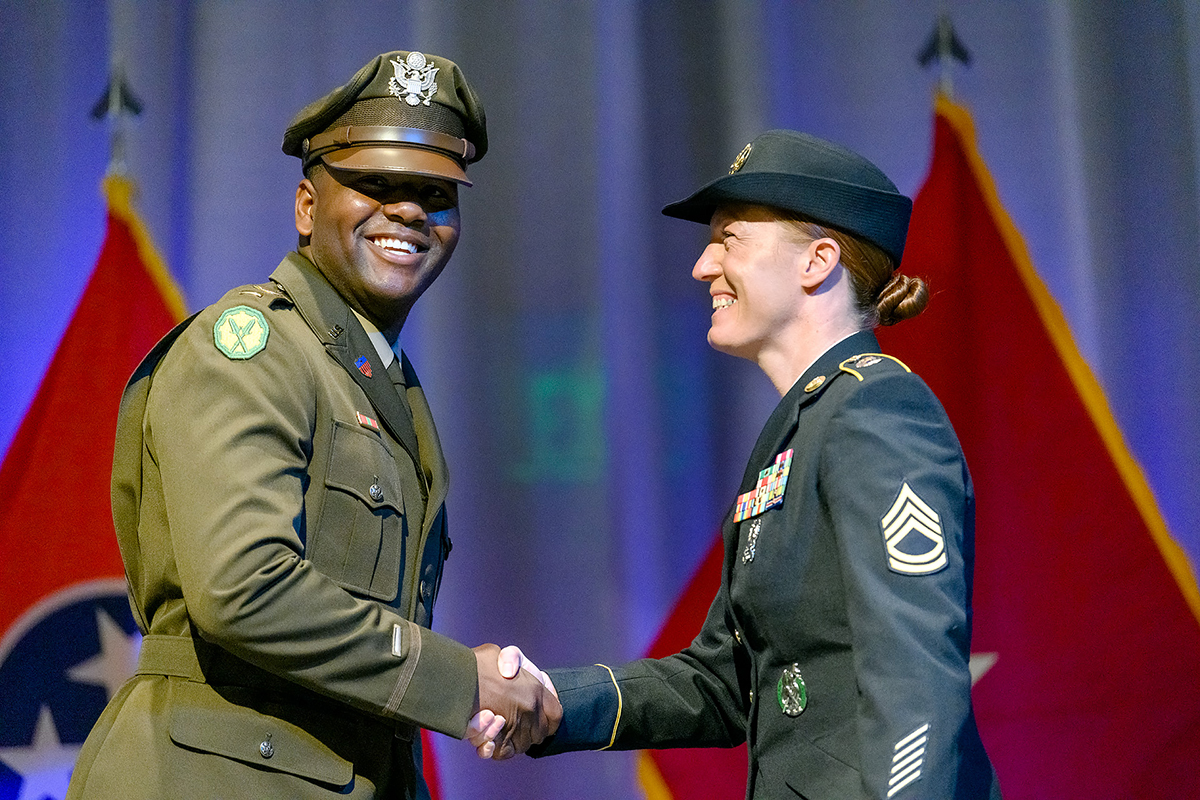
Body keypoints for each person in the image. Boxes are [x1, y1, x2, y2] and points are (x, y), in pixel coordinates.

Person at [67, 50, 559, 800]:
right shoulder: (252, 348)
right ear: (306, 207)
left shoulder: (374, 374)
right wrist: (462, 683)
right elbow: (244, 586)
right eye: (376, 185)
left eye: (434, 193)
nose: (408, 212)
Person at [472, 129, 1002, 798]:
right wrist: (550, 700)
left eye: (729, 240)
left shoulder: (878, 414)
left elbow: (915, 678)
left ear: (817, 262)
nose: (702, 266)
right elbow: (725, 680)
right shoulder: (795, 435)